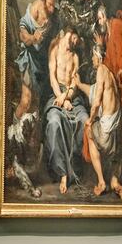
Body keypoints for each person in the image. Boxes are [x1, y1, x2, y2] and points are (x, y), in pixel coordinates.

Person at [74, 43, 122, 201]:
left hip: (107, 129)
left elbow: (96, 102)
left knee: (89, 132)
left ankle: (102, 182)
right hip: (116, 128)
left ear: (99, 56)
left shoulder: (101, 70)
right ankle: (115, 183)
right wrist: (79, 84)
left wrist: (89, 120)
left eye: (93, 56)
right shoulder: (108, 74)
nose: (91, 59)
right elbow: (93, 90)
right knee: (114, 156)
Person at [43, 26, 88, 194]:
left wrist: (67, 97)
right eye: (73, 38)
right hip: (56, 95)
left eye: (76, 41)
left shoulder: (75, 56)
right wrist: (61, 98)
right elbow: (52, 77)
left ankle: (74, 170)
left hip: (72, 97)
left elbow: (75, 83)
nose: (74, 42)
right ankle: (62, 172)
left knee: (84, 121)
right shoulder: (54, 47)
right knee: (54, 122)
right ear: (68, 34)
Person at [13, 0, 56, 121]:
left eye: (53, 5)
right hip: (30, 59)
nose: (52, 9)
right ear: (43, 1)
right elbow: (22, 35)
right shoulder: (35, 9)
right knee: (26, 101)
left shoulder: (53, 14)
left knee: (35, 105)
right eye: (49, 5)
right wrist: (33, 38)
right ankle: (12, 131)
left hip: (41, 62)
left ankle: (27, 136)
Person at [94, 4, 122, 108]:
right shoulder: (107, 36)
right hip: (116, 80)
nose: (99, 22)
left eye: (100, 19)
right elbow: (107, 62)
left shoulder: (116, 26)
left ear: (105, 16)